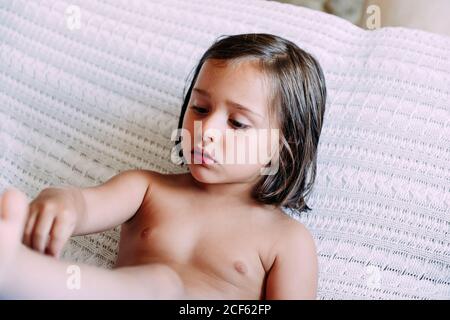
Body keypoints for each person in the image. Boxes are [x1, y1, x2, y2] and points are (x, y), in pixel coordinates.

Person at [0, 33, 326, 300]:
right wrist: (62, 201)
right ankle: (17, 271)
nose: (205, 130)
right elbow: (85, 205)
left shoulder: (287, 241)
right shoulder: (147, 189)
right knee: (159, 283)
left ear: (283, 150)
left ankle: (15, 272)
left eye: (238, 123)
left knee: (163, 284)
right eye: (199, 108)